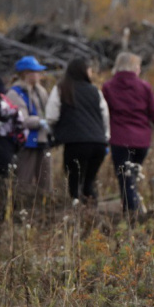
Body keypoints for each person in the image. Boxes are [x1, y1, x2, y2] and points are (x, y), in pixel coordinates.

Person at [102, 52, 154, 213]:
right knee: (132, 177)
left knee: (125, 179)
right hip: (141, 142)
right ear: (135, 68)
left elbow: (104, 115)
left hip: (119, 141)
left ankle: (132, 215)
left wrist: (103, 139)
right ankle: (134, 211)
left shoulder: (108, 87)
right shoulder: (144, 87)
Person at [45, 58, 110, 206]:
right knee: (89, 181)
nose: (91, 72)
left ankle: (78, 213)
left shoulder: (62, 88)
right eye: (89, 69)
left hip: (75, 143)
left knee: (74, 181)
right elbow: (105, 116)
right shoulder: (95, 91)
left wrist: (54, 132)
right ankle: (92, 213)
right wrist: (106, 138)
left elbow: (51, 116)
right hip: (98, 143)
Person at [6, 56, 52, 192]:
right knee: (23, 181)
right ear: (26, 73)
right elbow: (22, 119)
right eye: (35, 71)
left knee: (46, 181)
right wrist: (40, 122)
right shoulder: (15, 93)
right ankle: (21, 208)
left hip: (43, 141)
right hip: (26, 143)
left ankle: (45, 209)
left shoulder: (40, 91)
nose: (38, 75)